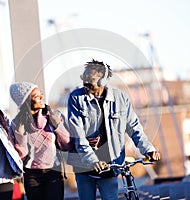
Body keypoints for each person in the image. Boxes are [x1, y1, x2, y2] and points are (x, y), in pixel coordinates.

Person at [67, 59, 161, 200]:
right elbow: (78, 135)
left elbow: (134, 127)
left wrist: (149, 149)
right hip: (83, 166)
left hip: (110, 165)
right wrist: (92, 160)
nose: (85, 82)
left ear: (103, 81)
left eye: (90, 79)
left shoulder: (121, 98)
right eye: (83, 78)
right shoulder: (76, 98)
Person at [9, 82, 73, 200]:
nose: (42, 98)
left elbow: (67, 145)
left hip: (54, 170)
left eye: (41, 94)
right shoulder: (16, 123)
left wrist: (57, 125)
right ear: (26, 102)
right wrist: (20, 134)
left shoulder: (54, 115)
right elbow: (21, 156)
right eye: (37, 96)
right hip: (31, 175)